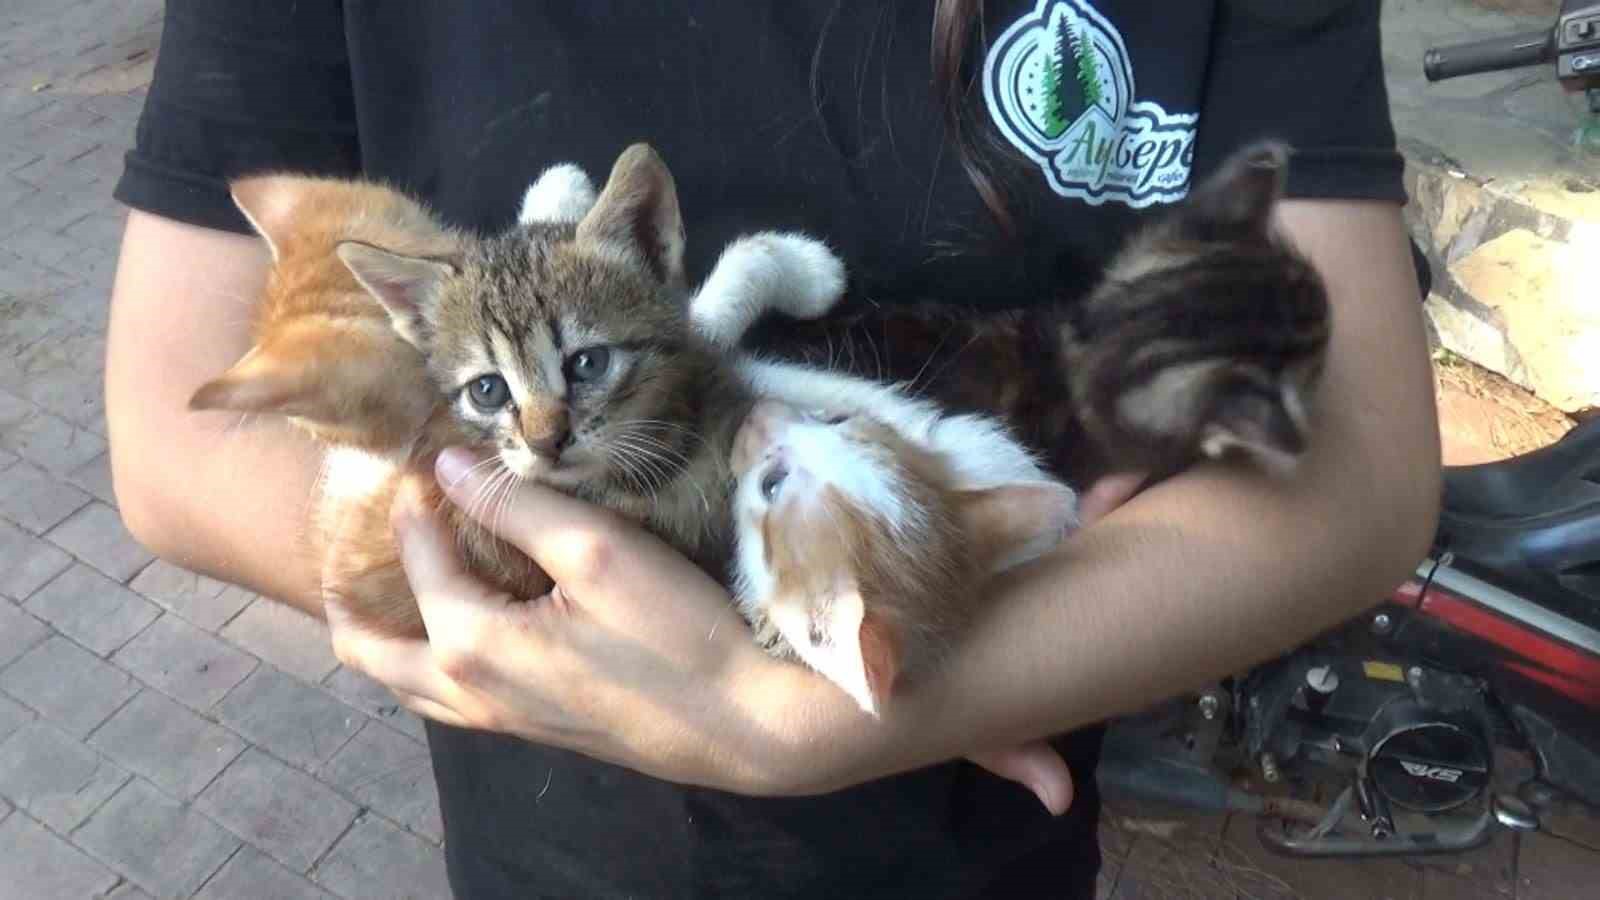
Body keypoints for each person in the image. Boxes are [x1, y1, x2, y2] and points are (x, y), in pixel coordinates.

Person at [105, 1, 1440, 897]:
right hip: (555, 852)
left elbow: (1364, 470)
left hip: (984, 858)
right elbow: (175, 430)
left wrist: (832, 709)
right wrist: (474, 580)